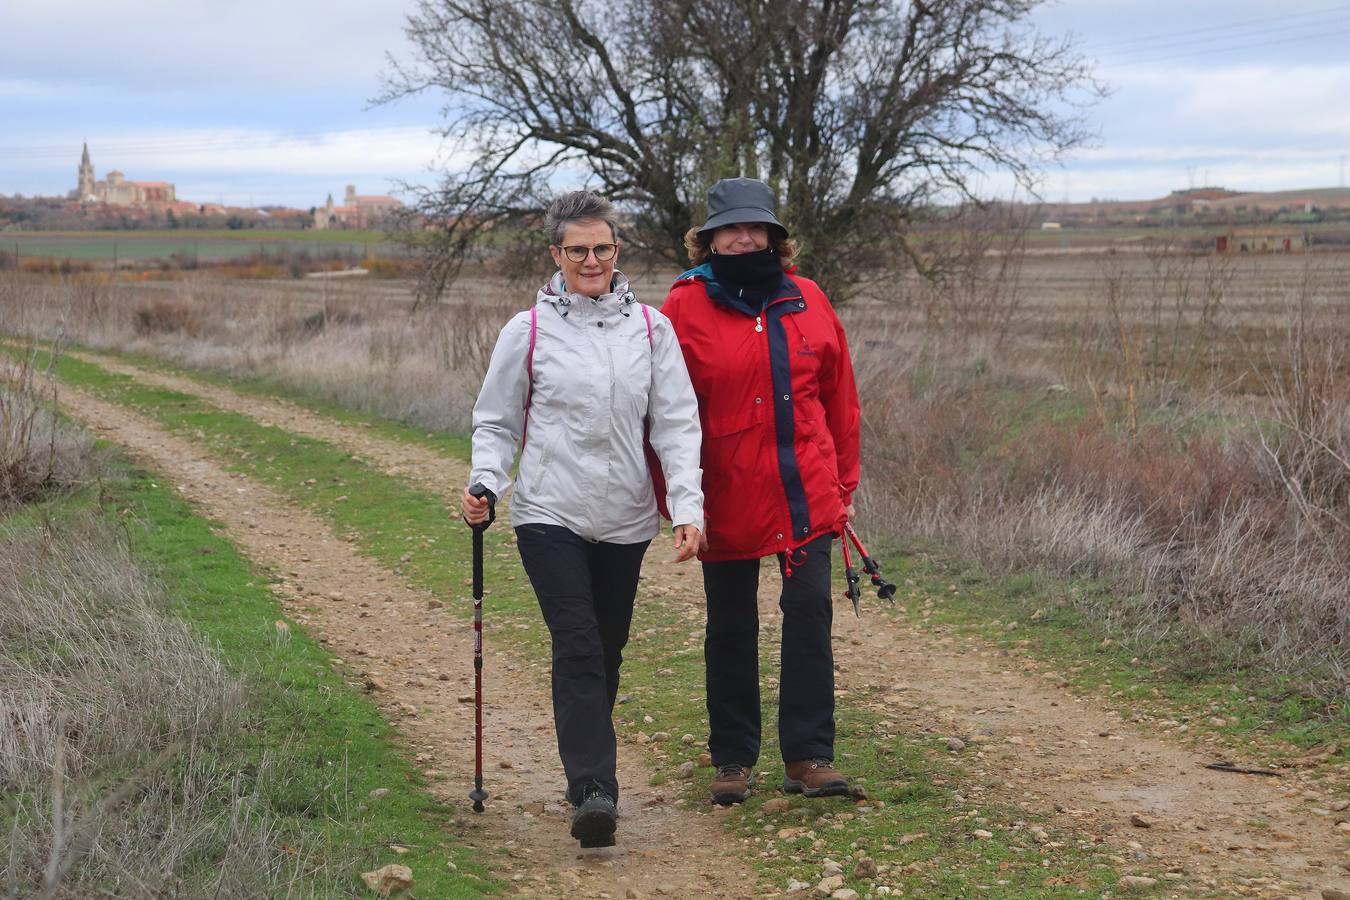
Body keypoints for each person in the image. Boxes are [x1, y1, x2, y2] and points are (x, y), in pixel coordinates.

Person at [461, 190, 704, 848]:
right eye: (578, 250)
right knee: (578, 645)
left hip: (625, 517)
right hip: (550, 511)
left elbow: (678, 425)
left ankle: (587, 768)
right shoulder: (529, 330)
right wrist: (486, 481)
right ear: (556, 255)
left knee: (607, 647)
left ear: (617, 251)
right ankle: (594, 788)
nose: (591, 260)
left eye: (602, 248)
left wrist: (687, 507)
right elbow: (496, 420)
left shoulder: (652, 330)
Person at [660, 177, 861, 806]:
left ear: (775, 236)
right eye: (732, 228)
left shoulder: (808, 298)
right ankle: (732, 761)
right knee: (730, 626)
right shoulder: (683, 306)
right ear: (709, 238)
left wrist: (843, 485)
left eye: (757, 228)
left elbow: (840, 400)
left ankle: (808, 756)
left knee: (808, 617)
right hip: (725, 494)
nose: (746, 237)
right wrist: (679, 499)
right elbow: (663, 411)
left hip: (806, 493)